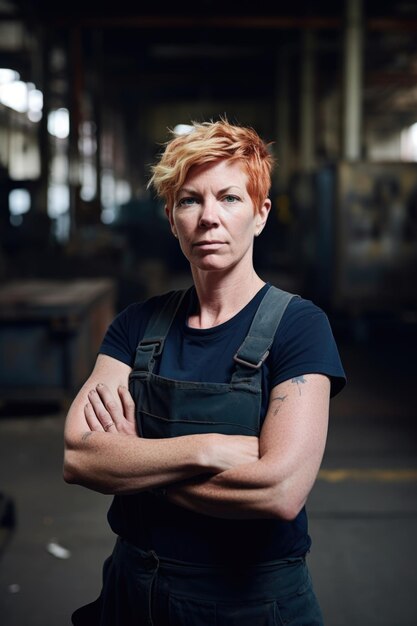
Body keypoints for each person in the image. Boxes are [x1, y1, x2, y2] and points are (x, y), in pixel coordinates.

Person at [63, 117, 346, 626]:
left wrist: (135, 463)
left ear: (260, 215)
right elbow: (81, 457)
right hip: (132, 593)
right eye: (190, 200)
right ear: (172, 219)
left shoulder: (299, 327)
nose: (208, 218)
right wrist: (207, 449)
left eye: (230, 199)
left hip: (252, 600)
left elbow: (277, 491)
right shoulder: (136, 325)